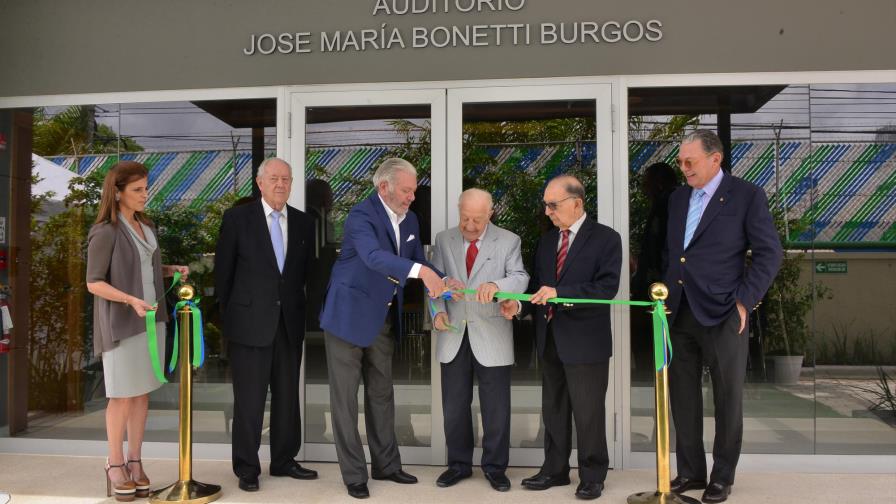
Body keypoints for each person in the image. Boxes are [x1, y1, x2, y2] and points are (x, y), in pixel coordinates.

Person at [319, 158, 450, 499]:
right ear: (383, 187)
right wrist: (424, 274)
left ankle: (387, 465)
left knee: (382, 393)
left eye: (413, 191)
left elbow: (417, 260)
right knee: (345, 400)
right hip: (347, 317)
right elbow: (374, 257)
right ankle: (354, 475)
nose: (412, 197)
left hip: (382, 317)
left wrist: (443, 277)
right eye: (406, 191)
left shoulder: (411, 219)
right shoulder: (360, 216)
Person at [663, 129, 782, 503]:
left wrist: (745, 301)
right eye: (680, 161)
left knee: (727, 398)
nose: (684, 168)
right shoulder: (677, 198)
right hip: (678, 310)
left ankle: (722, 476)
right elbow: (675, 253)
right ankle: (690, 471)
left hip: (724, 312)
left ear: (715, 159)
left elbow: (769, 253)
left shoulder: (747, 195)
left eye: (690, 161)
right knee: (682, 396)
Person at [500, 175, 622, 500]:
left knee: (588, 412)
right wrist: (518, 306)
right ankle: (554, 470)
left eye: (553, 205)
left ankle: (592, 476)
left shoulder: (606, 239)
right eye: (546, 205)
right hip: (550, 337)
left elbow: (606, 288)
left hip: (586, 342)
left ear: (577, 203)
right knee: (553, 409)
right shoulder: (546, 241)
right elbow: (537, 288)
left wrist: (560, 293)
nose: (547, 212)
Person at [86, 161, 189, 502]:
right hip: (122, 323)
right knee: (122, 395)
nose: (145, 195)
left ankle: (135, 460)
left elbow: (143, 268)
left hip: (151, 320)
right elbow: (94, 283)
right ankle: (114, 463)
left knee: (142, 393)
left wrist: (170, 269)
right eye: (138, 190)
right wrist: (130, 300)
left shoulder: (146, 226)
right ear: (117, 193)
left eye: (146, 188)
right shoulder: (105, 231)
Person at [214, 157, 317, 492]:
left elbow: (306, 275)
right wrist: (230, 320)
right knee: (249, 399)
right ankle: (247, 467)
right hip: (248, 325)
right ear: (260, 183)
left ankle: (284, 460)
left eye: (286, 179)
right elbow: (223, 275)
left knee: (287, 397)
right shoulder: (237, 219)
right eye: (274, 178)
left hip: (289, 323)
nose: (280, 184)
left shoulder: (304, 222)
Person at [429, 188, 529, 492]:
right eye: (465, 219)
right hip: (454, 333)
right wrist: (437, 312)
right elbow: (433, 283)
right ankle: (458, 465)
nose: (470, 226)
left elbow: (520, 277)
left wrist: (497, 285)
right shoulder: (444, 239)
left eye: (477, 219)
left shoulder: (509, 240)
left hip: (492, 332)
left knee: (496, 408)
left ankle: (495, 468)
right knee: (454, 407)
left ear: (491, 214)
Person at [631, 162, 679, 377]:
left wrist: (646, 279)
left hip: (657, 287)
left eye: (646, 183)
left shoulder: (667, 205)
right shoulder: (663, 204)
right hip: (654, 282)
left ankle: (650, 379)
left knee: (648, 341)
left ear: (658, 184)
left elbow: (659, 248)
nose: (643, 188)